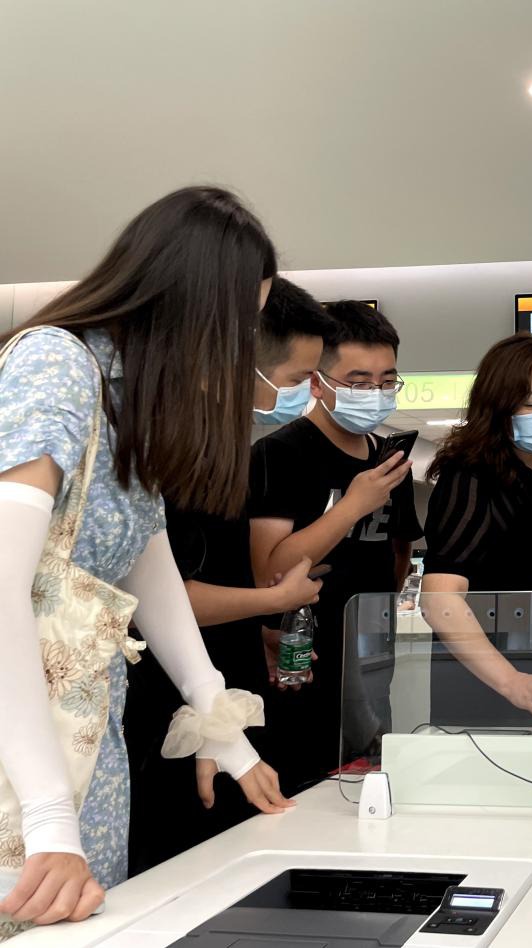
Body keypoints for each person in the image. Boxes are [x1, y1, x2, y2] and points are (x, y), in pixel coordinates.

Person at [0, 187, 290, 933]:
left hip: (80, 740)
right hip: (23, 762)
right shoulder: (57, 366)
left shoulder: (131, 402)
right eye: (240, 324)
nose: (242, 349)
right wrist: (48, 817)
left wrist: (225, 734)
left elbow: (146, 565)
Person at [124, 277, 332, 875]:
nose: (304, 393)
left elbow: (173, 579)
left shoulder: (210, 444)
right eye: (298, 378)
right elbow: (163, 598)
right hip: (162, 707)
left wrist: (222, 715)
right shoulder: (162, 446)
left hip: (210, 695)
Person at [248, 300, 422, 794]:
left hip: (371, 662)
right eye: (359, 382)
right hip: (300, 665)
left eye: (386, 381)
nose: (376, 394)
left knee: (368, 790)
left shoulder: (389, 460)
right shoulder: (279, 454)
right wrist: (351, 506)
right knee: (305, 795)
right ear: (318, 382)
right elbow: (268, 572)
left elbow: (398, 554)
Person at [422, 334, 532, 726]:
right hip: (488, 688)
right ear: (498, 407)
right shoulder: (471, 476)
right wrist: (510, 680)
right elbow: (438, 599)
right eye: (531, 402)